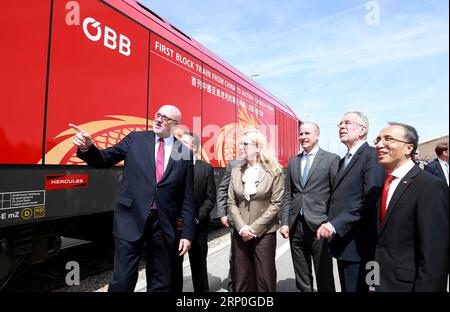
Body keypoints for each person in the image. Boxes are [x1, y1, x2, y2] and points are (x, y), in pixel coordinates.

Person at [69, 104, 195, 292]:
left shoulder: (184, 153)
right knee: (123, 279)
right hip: (130, 218)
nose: (159, 119)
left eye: (165, 118)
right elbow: (104, 159)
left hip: (162, 225)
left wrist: (187, 234)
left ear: (176, 125)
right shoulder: (135, 139)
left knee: (161, 282)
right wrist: (88, 148)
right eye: (158, 115)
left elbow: (187, 196)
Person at [374, 122, 449, 291]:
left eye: (388, 139)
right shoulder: (383, 185)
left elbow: (435, 253)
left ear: (409, 148)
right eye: (377, 140)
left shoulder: (429, 186)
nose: (379, 145)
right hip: (379, 281)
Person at [316, 111, 385, 292]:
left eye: (347, 123)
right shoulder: (344, 160)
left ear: (362, 130)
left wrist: (335, 224)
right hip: (344, 244)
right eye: (340, 124)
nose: (342, 127)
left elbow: (370, 200)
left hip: (361, 246)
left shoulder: (372, 155)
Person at [280, 122, 339, 292]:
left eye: (307, 133)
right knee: (302, 274)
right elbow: (288, 195)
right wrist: (284, 222)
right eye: (301, 134)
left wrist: (330, 223)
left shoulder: (331, 159)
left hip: (320, 225)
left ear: (317, 135)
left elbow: (336, 195)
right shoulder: (293, 161)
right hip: (295, 225)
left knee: (324, 274)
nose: (303, 137)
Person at [227, 128, 284, 292]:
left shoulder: (274, 171)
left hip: (265, 233)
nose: (240, 147)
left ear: (258, 147)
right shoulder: (236, 170)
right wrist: (242, 227)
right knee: (242, 280)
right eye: (240, 144)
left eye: (245, 144)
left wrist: (254, 228)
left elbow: (276, 203)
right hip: (241, 232)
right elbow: (231, 201)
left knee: (265, 279)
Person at [173, 132, 216, 292]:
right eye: (180, 142)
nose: (181, 145)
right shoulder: (172, 165)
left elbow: (210, 198)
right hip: (176, 225)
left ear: (195, 148)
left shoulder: (206, 169)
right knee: (175, 267)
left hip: (198, 225)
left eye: (185, 143)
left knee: (198, 265)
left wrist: (196, 218)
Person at [216, 158, 245, 292]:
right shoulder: (233, 165)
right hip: (237, 220)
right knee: (235, 257)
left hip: (258, 221)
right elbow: (223, 189)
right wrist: (222, 213)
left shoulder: (265, 163)